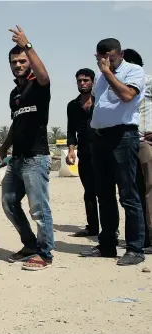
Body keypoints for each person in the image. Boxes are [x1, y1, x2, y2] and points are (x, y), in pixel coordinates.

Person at [80, 38, 146, 266]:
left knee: (128, 195)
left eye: (111, 57)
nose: (106, 62)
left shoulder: (133, 71)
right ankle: (107, 244)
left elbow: (127, 96)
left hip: (123, 137)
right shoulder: (100, 76)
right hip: (100, 139)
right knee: (104, 194)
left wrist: (108, 72)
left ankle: (135, 248)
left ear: (121, 53)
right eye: (101, 58)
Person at [0, 25, 54, 271]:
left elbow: (44, 75)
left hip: (36, 158)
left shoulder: (39, 85)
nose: (18, 65)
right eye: (14, 62)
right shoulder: (15, 93)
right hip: (17, 159)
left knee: (39, 208)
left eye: (22, 61)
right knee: (9, 202)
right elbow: (16, 122)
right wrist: (4, 147)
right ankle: (30, 244)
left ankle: (45, 253)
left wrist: (28, 45)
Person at [66, 68, 101, 237]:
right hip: (84, 152)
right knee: (89, 191)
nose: (82, 83)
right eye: (79, 81)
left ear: (93, 82)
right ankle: (92, 227)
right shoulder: (72, 106)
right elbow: (71, 131)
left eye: (86, 80)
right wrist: (71, 151)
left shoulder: (101, 101)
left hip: (102, 151)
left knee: (104, 191)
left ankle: (110, 229)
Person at [123, 48, 152, 255]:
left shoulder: (147, 81)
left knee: (149, 192)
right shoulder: (119, 87)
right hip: (127, 144)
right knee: (133, 194)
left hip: (145, 144)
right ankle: (141, 238)